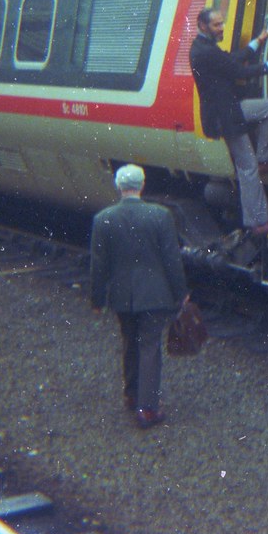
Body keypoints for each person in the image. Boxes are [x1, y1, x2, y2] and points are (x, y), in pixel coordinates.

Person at [90, 164, 189, 430]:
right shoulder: (160, 216)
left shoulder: (103, 219)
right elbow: (172, 259)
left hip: (121, 294)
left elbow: (98, 265)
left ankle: (132, 394)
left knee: (129, 342)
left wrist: (97, 300)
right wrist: (181, 294)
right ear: (142, 185)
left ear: (118, 186)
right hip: (155, 294)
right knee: (149, 347)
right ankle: (147, 409)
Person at [189, 7, 268, 234]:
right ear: (203, 26)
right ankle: (258, 222)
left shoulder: (203, 47)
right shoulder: (205, 52)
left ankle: (267, 157)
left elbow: (231, 59)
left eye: (222, 23)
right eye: (216, 25)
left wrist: (258, 41)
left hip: (228, 110)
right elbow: (239, 71)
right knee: (247, 167)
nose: (221, 28)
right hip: (226, 117)